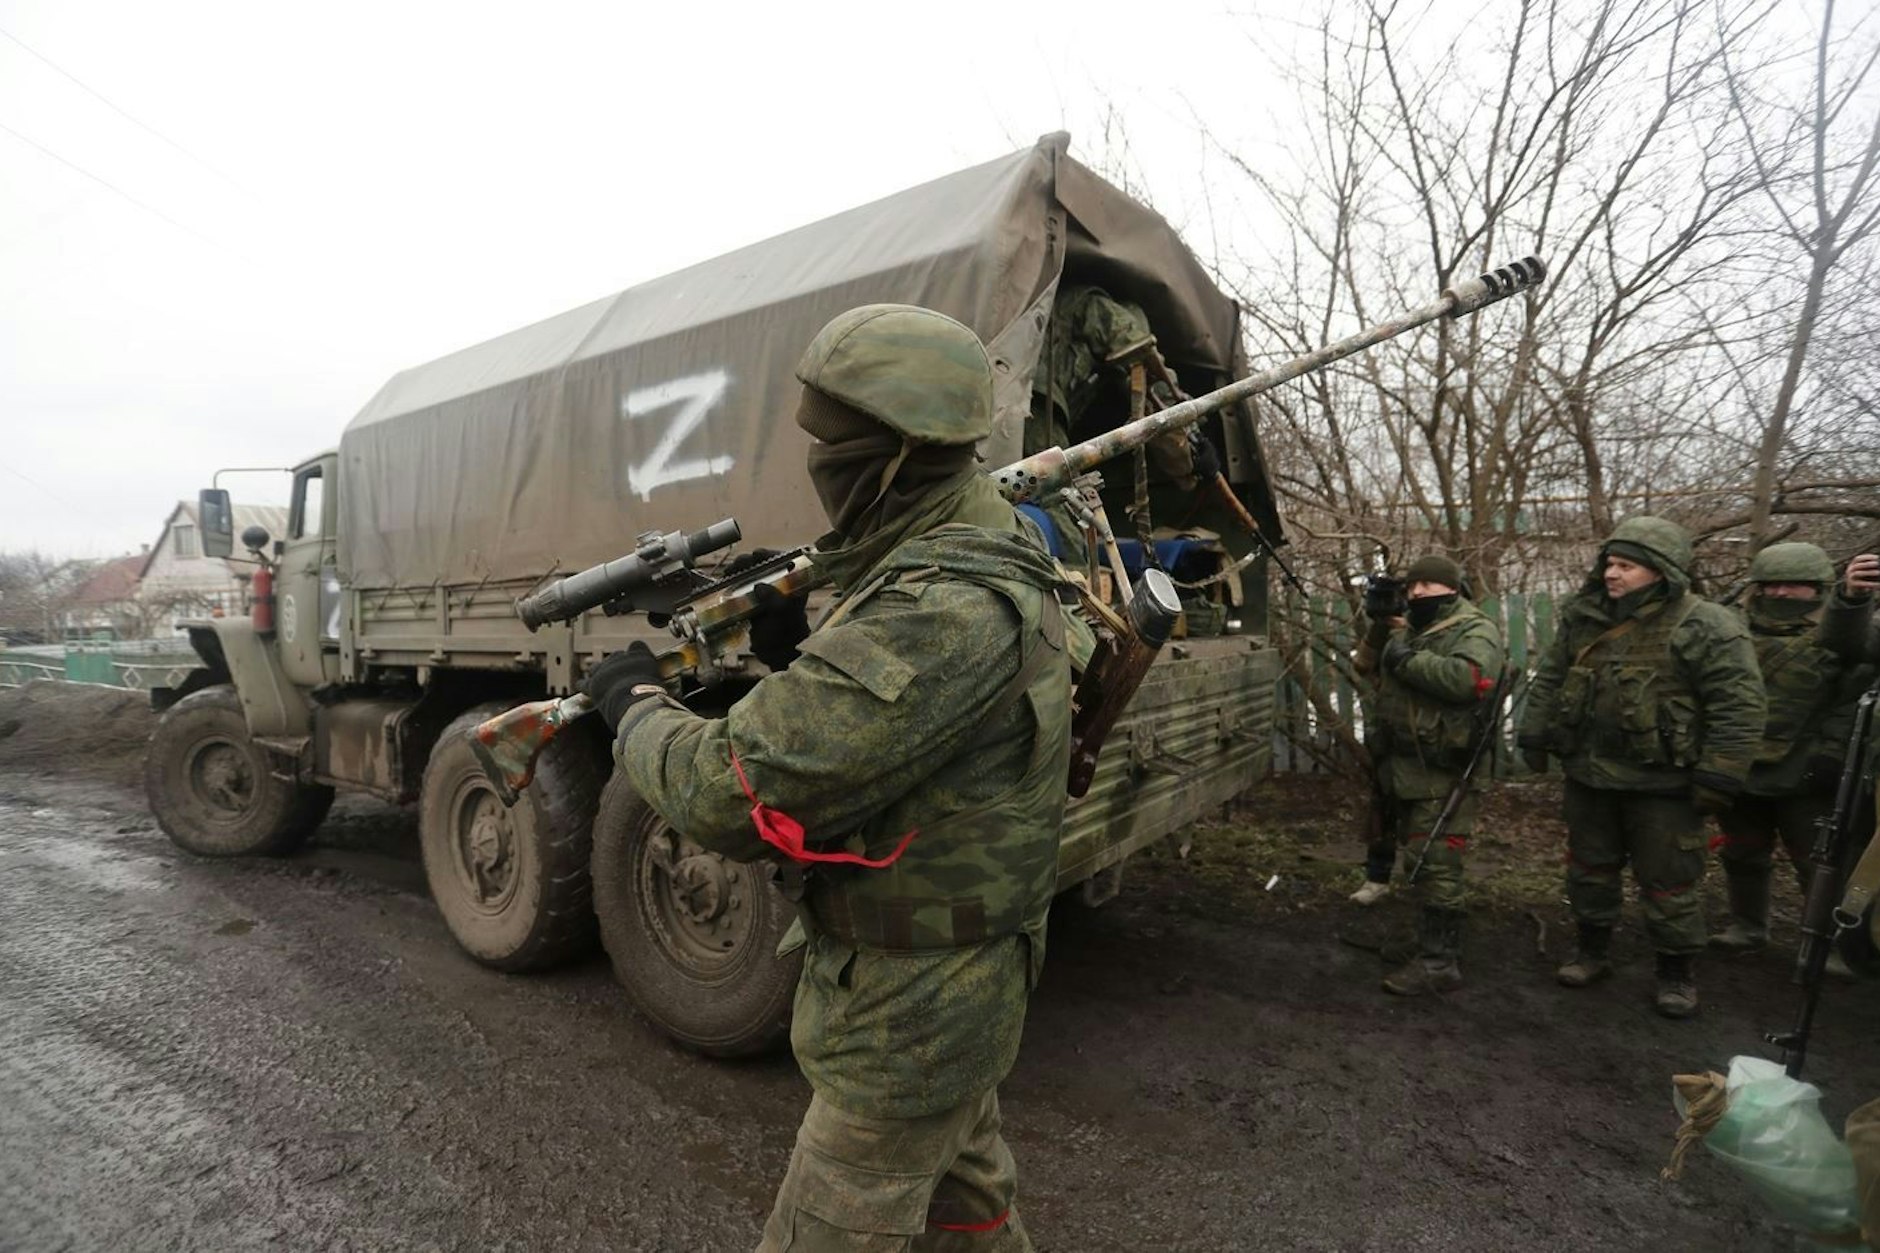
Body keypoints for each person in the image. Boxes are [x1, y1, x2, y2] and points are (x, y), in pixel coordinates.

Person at [584, 304, 1079, 1251]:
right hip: (963, 989)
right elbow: (907, 738)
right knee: (970, 1198)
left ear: (894, 452)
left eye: (832, 444)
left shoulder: (942, 606)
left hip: (908, 1018)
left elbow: (726, 793)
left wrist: (633, 704)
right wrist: (802, 651)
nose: (816, 463)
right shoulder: (996, 543)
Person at [1518, 517, 1766, 1018]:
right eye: (1609, 563)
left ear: (1662, 571)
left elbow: (1739, 705)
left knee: (1670, 881)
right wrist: (1534, 730)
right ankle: (1592, 952)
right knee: (1589, 870)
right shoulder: (1585, 617)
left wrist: (1719, 774)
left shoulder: (1706, 624)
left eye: (1626, 566)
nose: (1612, 574)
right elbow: (1550, 676)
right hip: (1590, 776)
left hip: (1665, 786)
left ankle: (1676, 973)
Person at [1710, 548, 1880, 957]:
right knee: (1743, 851)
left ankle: (1834, 946)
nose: (1781, 593)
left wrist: (1832, 754)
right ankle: (1748, 927)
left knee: (1819, 862)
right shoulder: (1730, 630)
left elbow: (1855, 703)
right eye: (1771, 584)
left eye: (1794, 585)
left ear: (1819, 588)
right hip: (1741, 762)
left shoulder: (1848, 632)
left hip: (1807, 769)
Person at [1350, 555, 1505, 995]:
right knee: (1416, 859)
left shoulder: (1474, 629)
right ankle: (1426, 943)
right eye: (1412, 585)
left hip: (1444, 767)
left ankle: (1440, 963)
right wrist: (1384, 628)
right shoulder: (1410, 627)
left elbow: (1467, 679)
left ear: (1452, 588)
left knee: (1437, 864)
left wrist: (1405, 659)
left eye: (1428, 586)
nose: (1417, 592)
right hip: (1403, 764)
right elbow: (1364, 665)